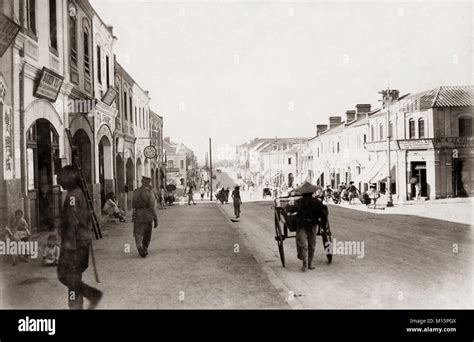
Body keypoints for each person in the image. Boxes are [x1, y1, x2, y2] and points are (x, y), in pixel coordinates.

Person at [57, 165, 102, 309]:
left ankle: (89, 296)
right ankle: (77, 305)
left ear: (69, 179)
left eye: (61, 177)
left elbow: (72, 221)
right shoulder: (79, 193)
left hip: (75, 243)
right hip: (82, 241)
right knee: (73, 277)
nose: (59, 181)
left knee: (66, 276)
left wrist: (68, 245)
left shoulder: (72, 197)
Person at [287, 182, 328, 272]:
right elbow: (323, 213)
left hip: (301, 224)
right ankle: (309, 263)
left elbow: (290, 210)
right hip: (313, 224)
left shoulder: (299, 202)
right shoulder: (316, 202)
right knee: (311, 245)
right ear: (312, 193)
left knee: (302, 244)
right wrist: (322, 224)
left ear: (302, 194)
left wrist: (288, 206)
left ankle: (305, 263)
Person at [132, 176, 159, 257]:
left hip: (137, 214)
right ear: (148, 183)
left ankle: (139, 245)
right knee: (147, 234)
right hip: (147, 215)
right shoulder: (149, 193)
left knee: (138, 232)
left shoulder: (136, 192)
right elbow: (152, 207)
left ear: (141, 182)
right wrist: (155, 219)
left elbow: (133, 204)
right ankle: (144, 248)